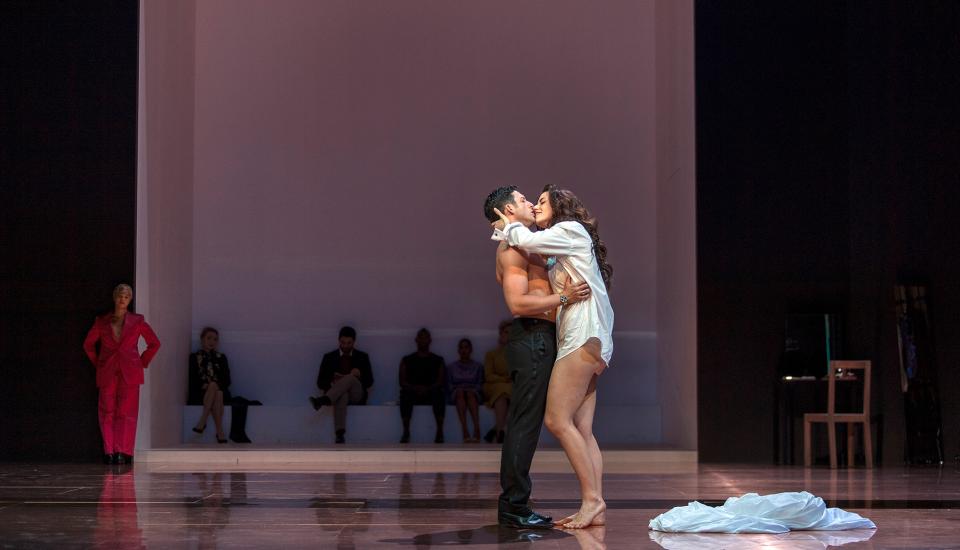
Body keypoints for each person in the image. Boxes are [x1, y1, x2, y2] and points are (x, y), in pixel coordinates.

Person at [491, 183, 614, 529]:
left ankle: (592, 500)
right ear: (508, 209)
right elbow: (517, 303)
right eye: (526, 200)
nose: (533, 204)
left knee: (557, 420)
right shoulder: (536, 246)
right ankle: (593, 504)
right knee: (581, 428)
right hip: (579, 338)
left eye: (541, 200)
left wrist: (508, 226)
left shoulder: (566, 231)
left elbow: (528, 240)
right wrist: (563, 298)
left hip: (581, 337)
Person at [83, 284, 161, 464]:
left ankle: (123, 451)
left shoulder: (137, 321)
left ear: (130, 299)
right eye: (119, 295)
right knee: (107, 411)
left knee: (127, 412)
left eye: (126, 296)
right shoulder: (102, 322)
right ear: (114, 297)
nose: (122, 299)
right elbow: (88, 345)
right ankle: (109, 451)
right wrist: (100, 364)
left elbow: (154, 343)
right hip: (108, 372)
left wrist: (141, 362)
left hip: (130, 372)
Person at [310, 326, 374, 444]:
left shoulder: (362, 357)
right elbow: (320, 382)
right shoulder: (329, 357)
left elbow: (370, 382)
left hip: (356, 394)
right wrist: (333, 382)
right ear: (339, 340)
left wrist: (358, 375)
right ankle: (340, 434)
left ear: (354, 342)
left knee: (350, 377)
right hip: (338, 395)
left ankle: (324, 400)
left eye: (349, 343)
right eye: (343, 342)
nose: (345, 346)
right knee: (342, 394)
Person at [398, 328, 446, 443]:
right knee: (405, 394)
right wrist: (415, 388)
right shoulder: (407, 360)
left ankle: (440, 431)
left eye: (425, 337)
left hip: (431, 392)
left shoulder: (438, 360)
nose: (423, 340)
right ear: (416, 340)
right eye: (421, 337)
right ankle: (406, 431)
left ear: (430, 340)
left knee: (439, 394)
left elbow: (441, 381)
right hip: (412, 392)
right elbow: (402, 382)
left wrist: (427, 389)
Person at [188, 327, 231, 443]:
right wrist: (204, 385)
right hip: (201, 392)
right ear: (202, 339)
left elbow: (227, 380)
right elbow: (192, 378)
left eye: (215, 339)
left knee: (216, 389)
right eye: (209, 338)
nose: (212, 341)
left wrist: (214, 385)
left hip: (221, 390)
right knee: (217, 393)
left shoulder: (221, 357)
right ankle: (220, 432)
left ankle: (203, 421)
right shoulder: (194, 357)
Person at [447, 338, 484, 443]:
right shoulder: (451, 367)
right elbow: (449, 385)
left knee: (470, 393)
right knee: (460, 393)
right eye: (461, 348)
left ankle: (476, 428)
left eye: (466, 347)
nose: (464, 350)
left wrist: (471, 389)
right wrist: (459, 388)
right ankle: (465, 429)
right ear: (458, 350)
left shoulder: (478, 366)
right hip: (457, 392)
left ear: (471, 349)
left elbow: (480, 383)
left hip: (473, 392)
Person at [482, 320, 513, 444]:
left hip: (511, 387)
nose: (509, 335)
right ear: (501, 334)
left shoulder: (519, 354)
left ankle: (498, 431)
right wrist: (504, 379)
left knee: (510, 392)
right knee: (501, 390)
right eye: (506, 332)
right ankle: (501, 429)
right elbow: (488, 375)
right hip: (493, 386)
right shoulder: (491, 354)